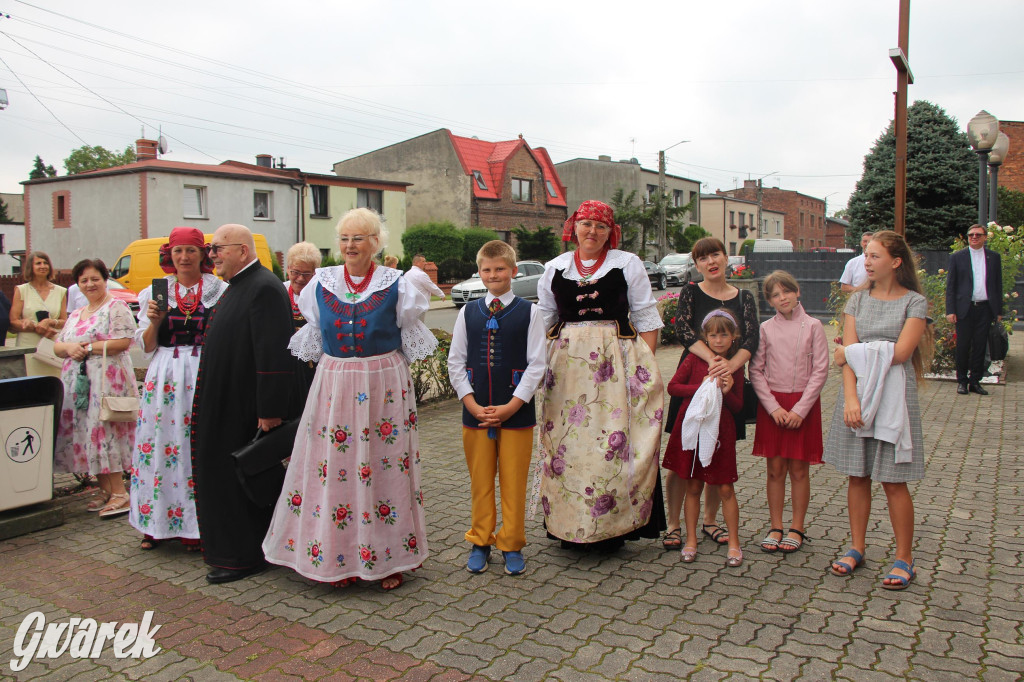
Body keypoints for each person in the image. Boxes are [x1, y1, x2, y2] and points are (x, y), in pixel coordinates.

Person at [263, 208, 436, 590]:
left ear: (375, 243)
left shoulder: (398, 283)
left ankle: (388, 559)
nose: (349, 245)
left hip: (383, 383)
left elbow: (407, 326)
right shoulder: (319, 283)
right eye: (344, 238)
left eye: (358, 238)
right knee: (333, 465)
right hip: (336, 382)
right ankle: (334, 557)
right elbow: (313, 325)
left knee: (384, 465)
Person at [536, 199, 665, 550]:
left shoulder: (627, 264)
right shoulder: (556, 267)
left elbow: (647, 317)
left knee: (611, 441)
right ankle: (568, 525)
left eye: (601, 226)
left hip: (615, 365)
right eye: (586, 224)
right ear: (574, 227)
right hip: (567, 369)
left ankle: (613, 528)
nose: (592, 231)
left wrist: (644, 368)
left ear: (611, 232)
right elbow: (544, 319)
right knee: (569, 443)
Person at [192, 224, 300, 585]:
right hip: (228, 402)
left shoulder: (264, 288)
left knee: (238, 480)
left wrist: (270, 410)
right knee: (224, 480)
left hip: (243, 408)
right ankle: (232, 551)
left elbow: (273, 353)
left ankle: (244, 556)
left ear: (242, 249)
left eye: (218, 249)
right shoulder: (241, 285)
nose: (213, 256)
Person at [827, 230, 932, 590]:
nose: (867, 262)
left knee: (893, 481)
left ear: (895, 261)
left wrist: (850, 353)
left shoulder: (915, 303)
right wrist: (851, 399)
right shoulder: (856, 301)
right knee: (857, 476)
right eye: (866, 256)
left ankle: (904, 557)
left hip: (893, 397)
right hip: (857, 392)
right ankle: (857, 547)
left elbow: (900, 353)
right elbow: (847, 359)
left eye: (874, 256)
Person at [447, 240, 546, 576]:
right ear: (479, 272)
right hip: (474, 413)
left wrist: (512, 405)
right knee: (480, 481)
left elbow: (537, 365)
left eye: (500, 269)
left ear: (513, 272)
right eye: (487, 270)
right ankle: (480, 541)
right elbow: (455, 362)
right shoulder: (467, 312)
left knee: (515, 481)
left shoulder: (530, 312)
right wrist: (471, 403)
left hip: (516, 414)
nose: (493, 275)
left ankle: (512, 543)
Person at [130, 227, 227, 552]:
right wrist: (155, 322)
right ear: (169, 256)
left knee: (195, 446)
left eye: (191, 250)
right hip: (165, 373)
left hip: (204, 370)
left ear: (203, 254)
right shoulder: (154, 293)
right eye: (178, 251)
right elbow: (145, 346)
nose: (184, 257)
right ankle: (155, 524)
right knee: (162, 444)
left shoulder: (220, 290)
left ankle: (197, 526)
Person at [663, 237, 758, 551]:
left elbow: (751, 340)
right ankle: (674, 525)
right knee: (682, 458)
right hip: (694, 376)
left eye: (715, 254)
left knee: (718, 455)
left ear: (726, 257)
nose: (710, 261)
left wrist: (728, 368)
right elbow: (685, 330)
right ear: (697, 264)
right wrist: (714, 362)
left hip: (729, 381)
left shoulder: (743, 296)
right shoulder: (691, 291)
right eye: (702, 258)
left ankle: (710, 520)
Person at [749, 271, 829, 554]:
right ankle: (775, 525)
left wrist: (800, 410)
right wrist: (772, 408)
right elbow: (756, 370)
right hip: (774, 407)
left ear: (797, 292)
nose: (782, 298)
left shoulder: (814, 326)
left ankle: (797, 527)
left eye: (786, 291)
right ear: (769, 300)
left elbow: (820, 371)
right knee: (775, 470)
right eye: (775, 295)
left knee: (799, 469)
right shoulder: (765, 328)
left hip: (802, 406)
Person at [52, 259, 137, 518]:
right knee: (87, 433)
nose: (90, 284)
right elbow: (58, 345)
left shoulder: (116, 307)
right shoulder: (77, 313)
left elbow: (124, 341)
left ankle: (121, 493)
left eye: (95, 279)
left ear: (105, 279)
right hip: (79, 386)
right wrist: (69, 348)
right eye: (84, 280)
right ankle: (105, 490)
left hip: (107, 382)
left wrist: (87, 347)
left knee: (105, 431)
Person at [663, 309, 746, 567]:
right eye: (713, 335)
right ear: (705, 337)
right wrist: (700, 387)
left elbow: (738, 406)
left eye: (724, 335)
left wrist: (728, 390)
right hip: (694, 431)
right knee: (694, 486)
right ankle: (690, 540)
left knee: (725, 488)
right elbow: (673, 387)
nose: (719, 340)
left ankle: (734, 543)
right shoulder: (693, 359)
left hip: (723, 433)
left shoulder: (734, 365)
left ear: (734, 337)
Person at [944, 224, 1002, 396]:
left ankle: (975, 381)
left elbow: (997, 285)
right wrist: (950, 310)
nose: (974, 237)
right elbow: (951, 286)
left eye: (978, 235)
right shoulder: (958, 257)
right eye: (971, 235)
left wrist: (998, 311)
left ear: (985, 237)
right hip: (965, 309)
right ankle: (961, 381)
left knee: (980, 346)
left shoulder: (994, 257)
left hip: (985, 309)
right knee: (963, 346)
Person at [9, 251, 67, 377]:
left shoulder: (60, 291)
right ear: (31, 267)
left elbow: (64, 321)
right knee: (29, 382)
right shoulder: (21, 290)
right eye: (38, 263)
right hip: (28, 344)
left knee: (53, 380)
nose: (43, 266)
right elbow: (13, 320)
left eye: (45, 263)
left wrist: (50, 322)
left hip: (51, 343)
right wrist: (32, 325)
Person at [283, 241, 323, 397]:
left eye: (306, 274)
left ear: (315, 274)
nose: (300, 278)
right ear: (287, 270)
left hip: (312, 367)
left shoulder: (320, 295)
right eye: (295, 272)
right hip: (286, 365)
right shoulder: (279, 291)